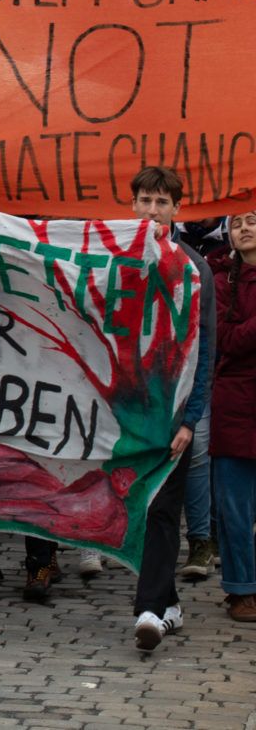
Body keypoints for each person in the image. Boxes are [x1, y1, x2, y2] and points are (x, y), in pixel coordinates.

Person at [123, 167, 214, 653]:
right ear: (132, 205)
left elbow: (205, 349)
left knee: (161, 508)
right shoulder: (113, 260)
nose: (152, 210)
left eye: (161, 202)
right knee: (135, 509)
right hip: (123, 410)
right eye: (144, 201)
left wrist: (190, 419)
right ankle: (168, 601)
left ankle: (151, 611)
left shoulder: (195, 268)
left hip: (171, 412)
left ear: (177, 209)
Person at [208, 209, 256, 622]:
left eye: (253, 220)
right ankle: (241, 589)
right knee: (235, 507)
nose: (244, 228)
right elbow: (226, 339)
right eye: (237, 222)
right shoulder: (219, 276)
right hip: (235, 403)